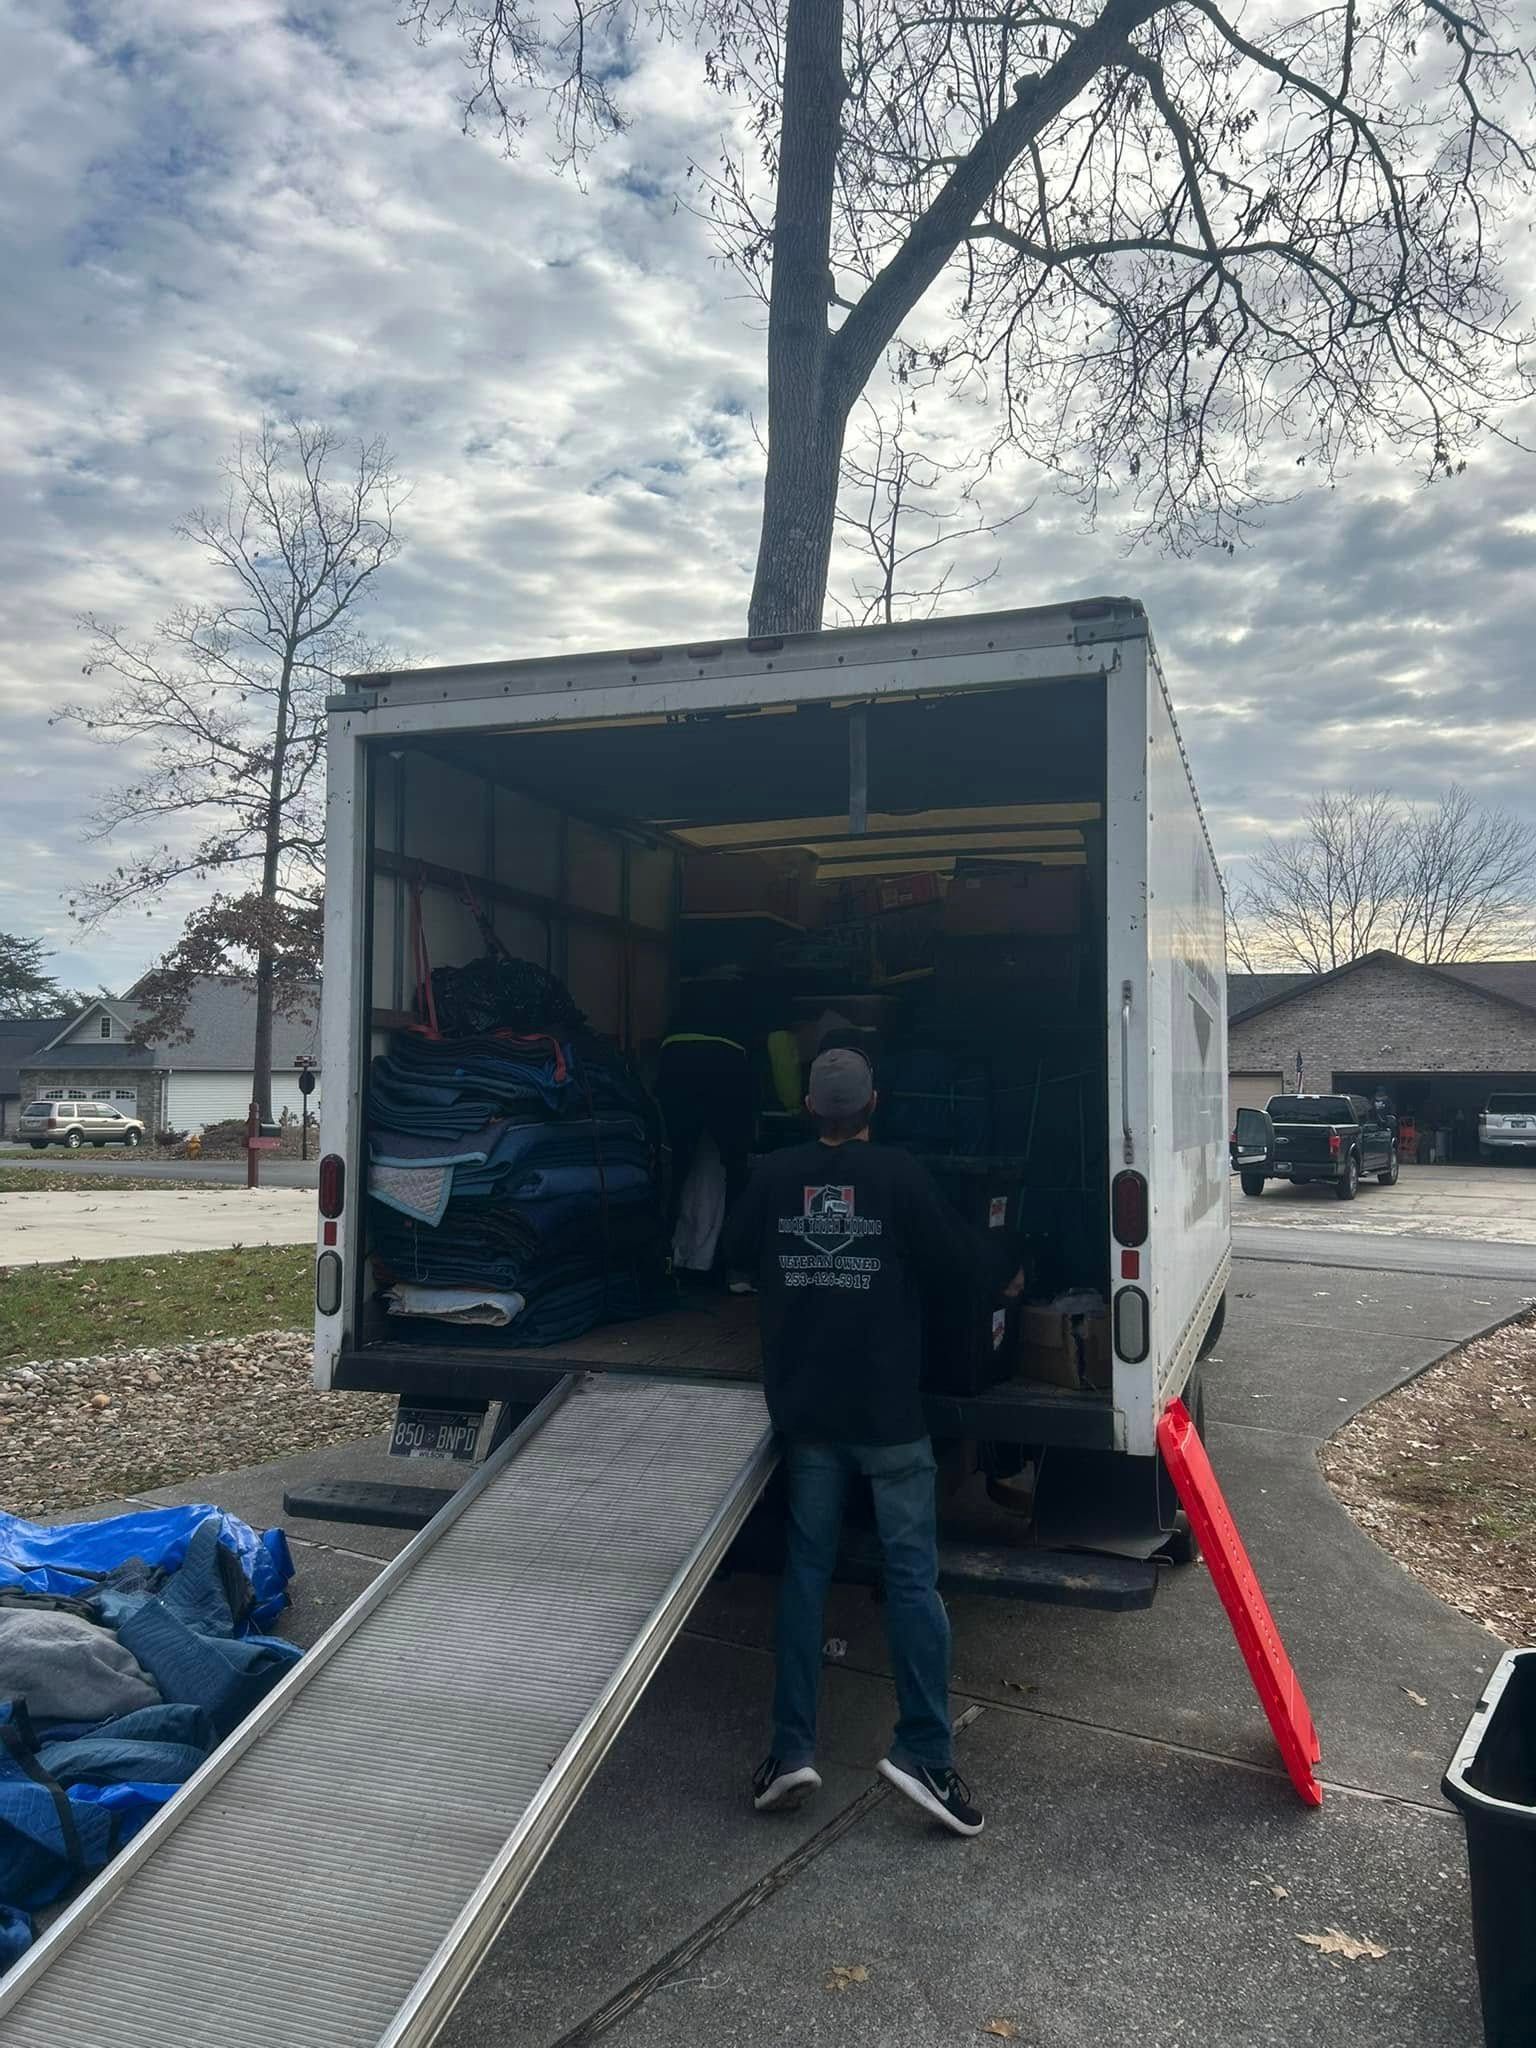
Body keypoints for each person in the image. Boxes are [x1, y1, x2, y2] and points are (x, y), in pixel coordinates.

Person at [724, 1047, 1020, 1838]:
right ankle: (925, 1749)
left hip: (809, 1417)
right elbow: (960, 1265)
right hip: (889, 1419)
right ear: (874, 1105)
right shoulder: (900, 1175)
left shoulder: (775, 1176)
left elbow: (730, 1255)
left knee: (806, 1574)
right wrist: (1008, 1276)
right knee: (913, 1578)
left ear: (810, 1109)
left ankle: (789, 1750)